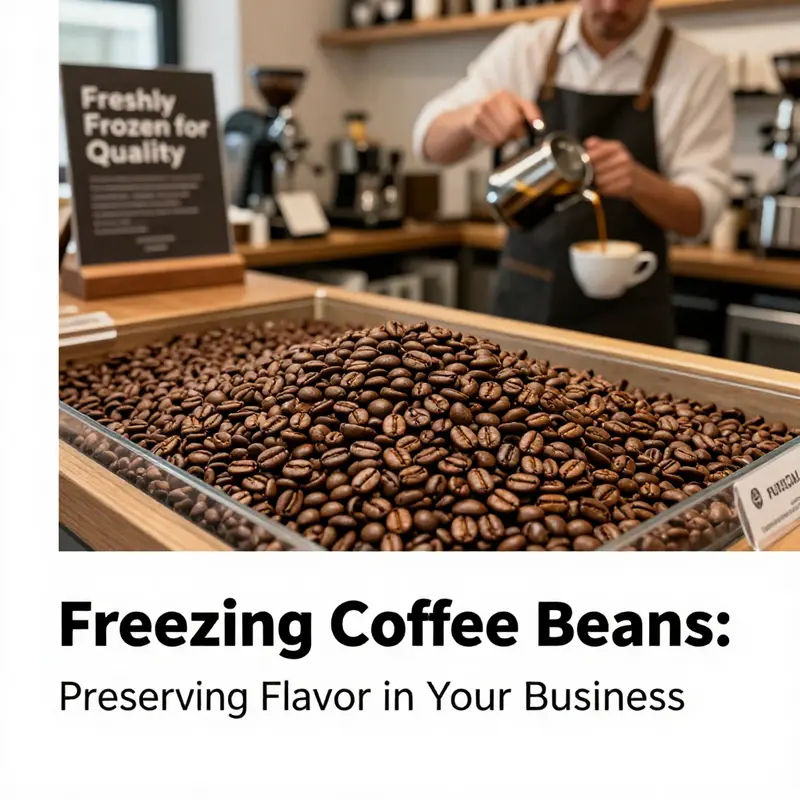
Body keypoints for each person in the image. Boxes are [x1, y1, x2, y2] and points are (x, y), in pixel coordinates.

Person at [413, 0, 733, 347]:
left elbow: (701, 216)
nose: (612, 6)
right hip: (526, 306)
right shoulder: (526, 48)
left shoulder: (697, 68)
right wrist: (471, 118)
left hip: (630, 322)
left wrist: (641, 184)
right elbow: (428, 143)